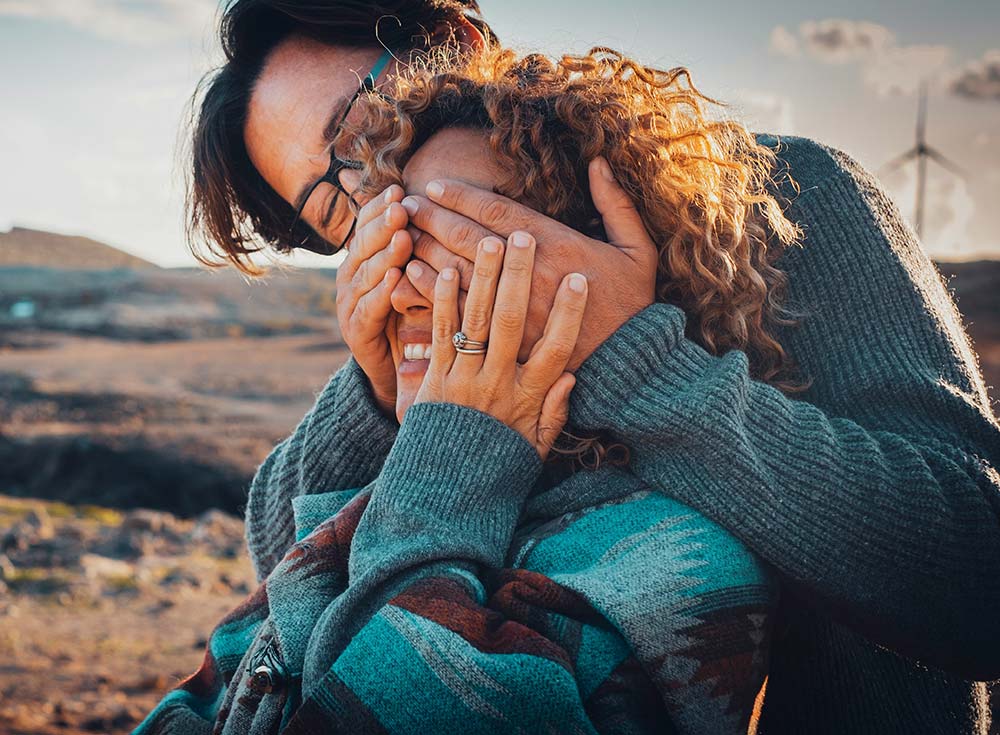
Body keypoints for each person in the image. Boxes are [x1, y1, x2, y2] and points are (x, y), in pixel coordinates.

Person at [171, 1, 1000, 733]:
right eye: (332, 209)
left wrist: (635, 360)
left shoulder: (788, 200)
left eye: (362, 130)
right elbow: (285, 580)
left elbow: (976, 573)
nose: (378, 198)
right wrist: (386, 401)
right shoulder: (418, 314)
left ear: (459, 41)